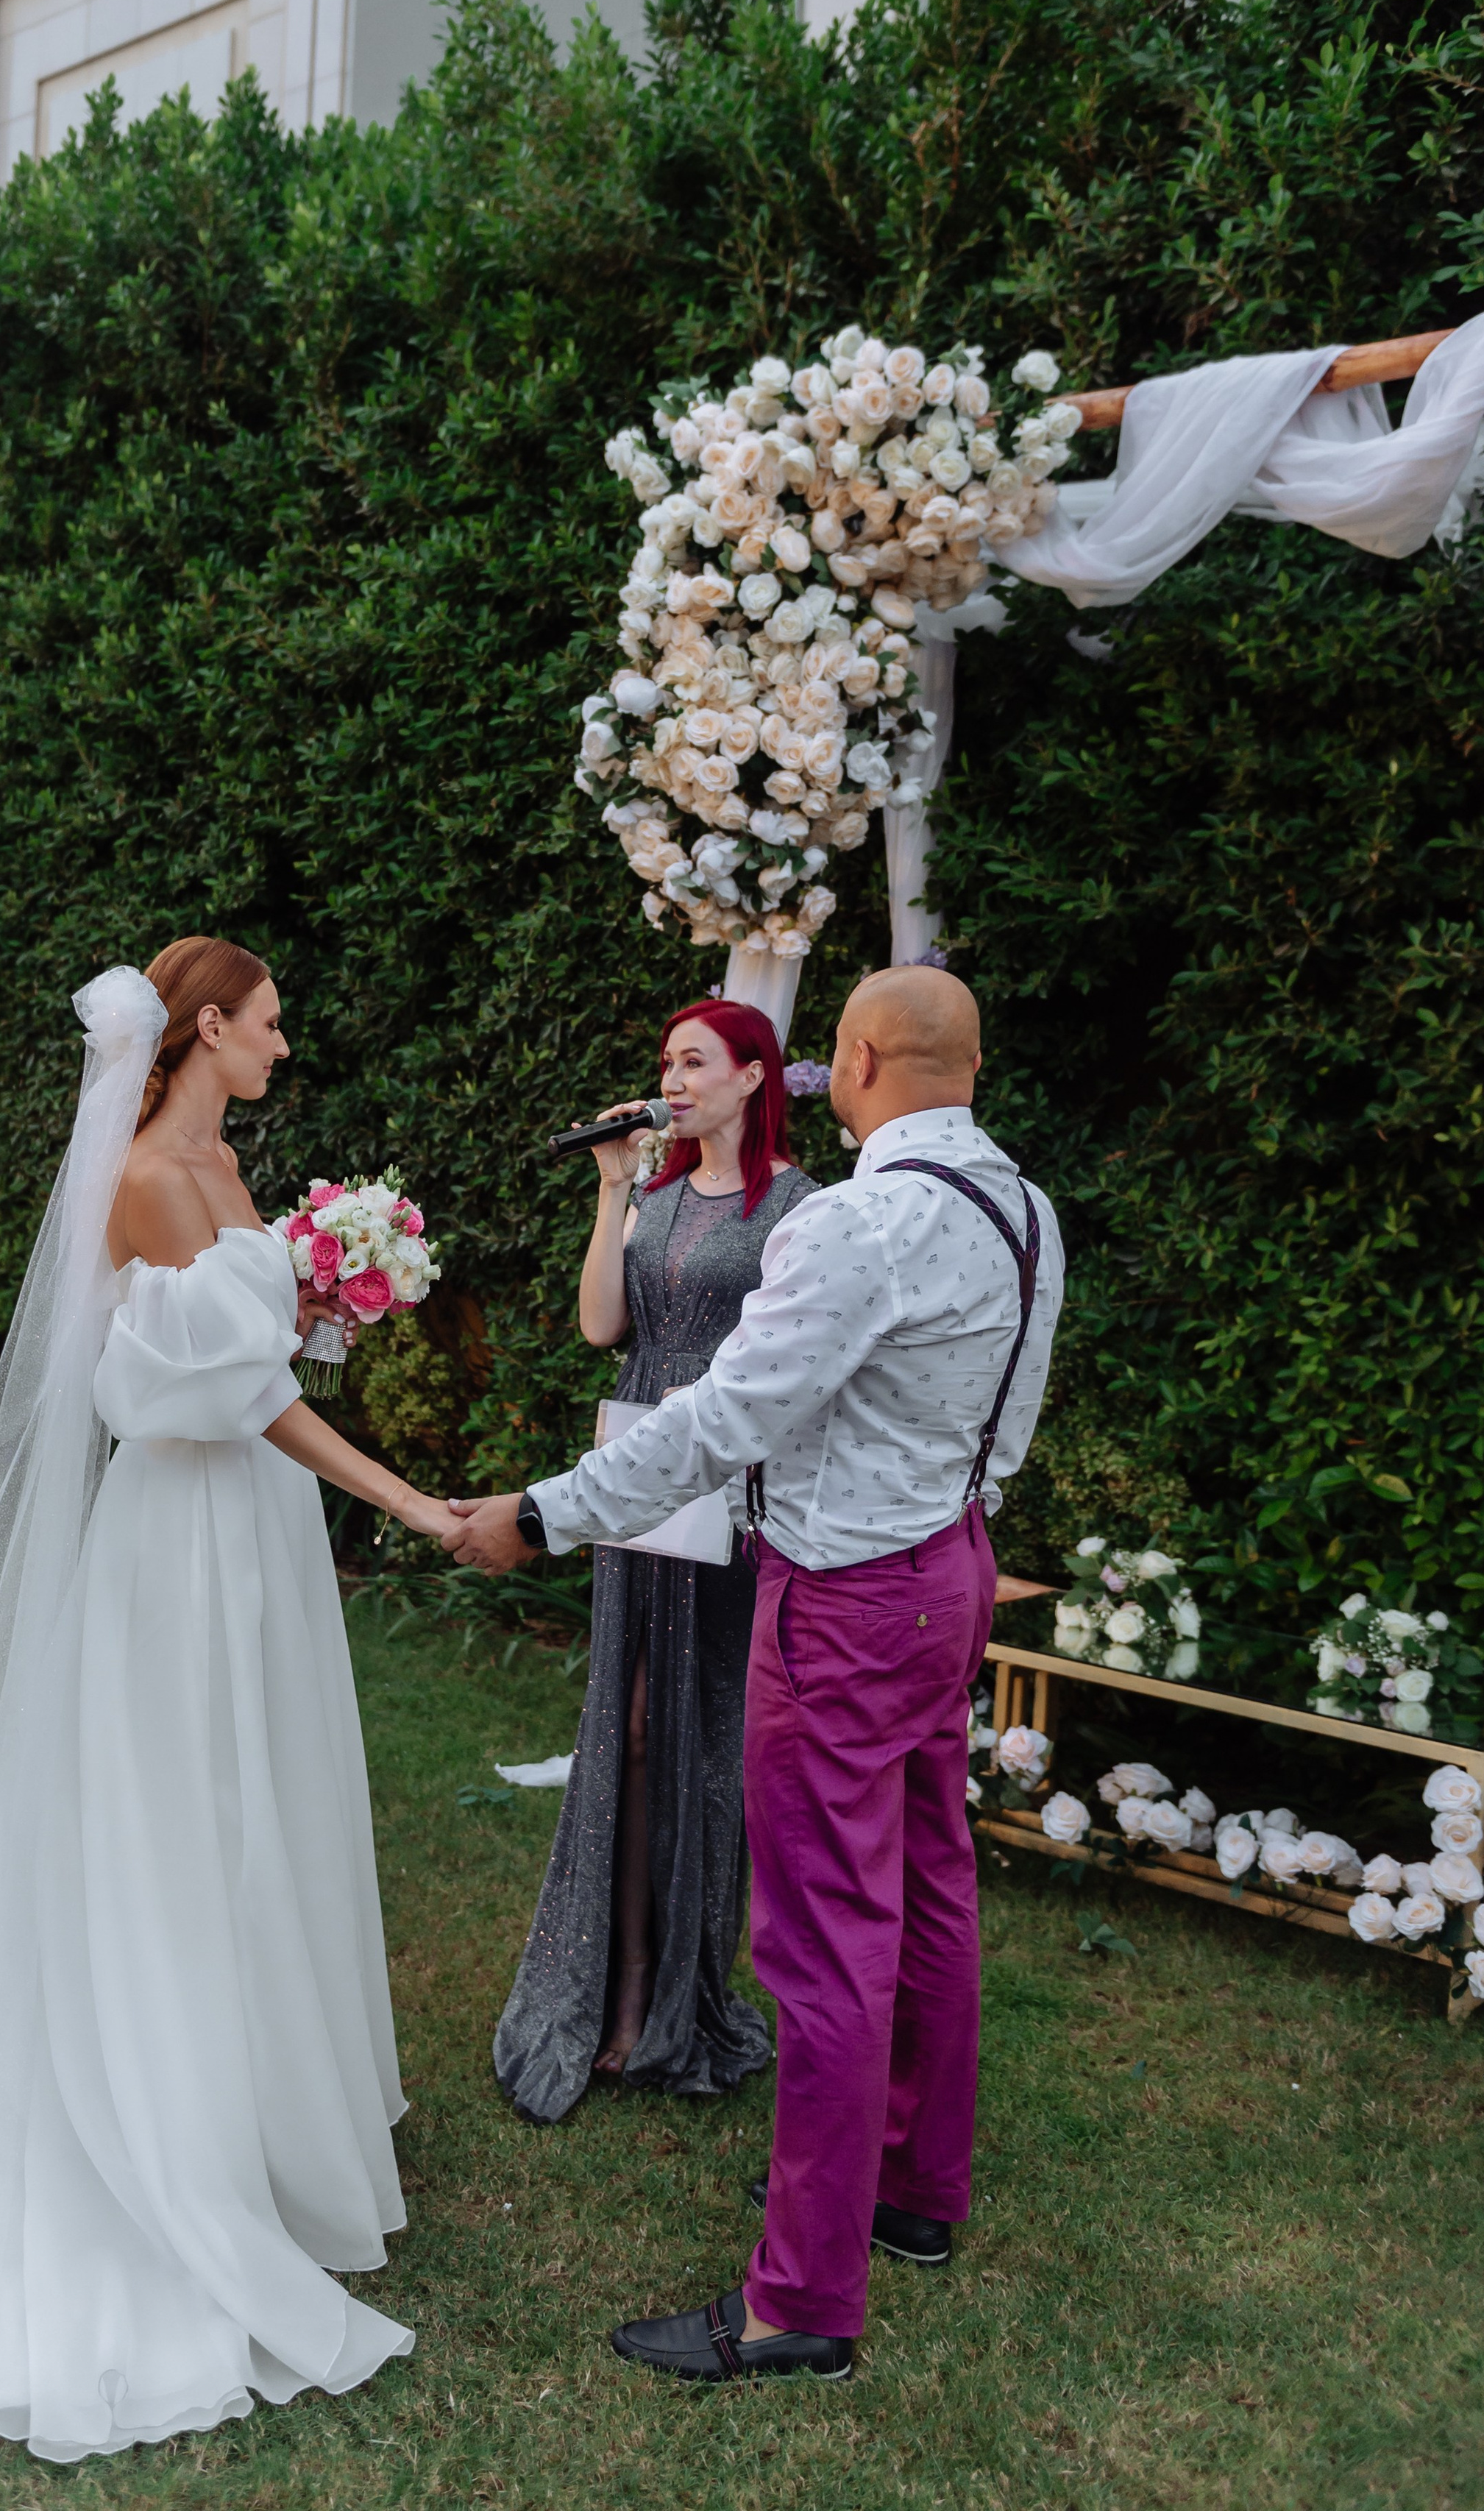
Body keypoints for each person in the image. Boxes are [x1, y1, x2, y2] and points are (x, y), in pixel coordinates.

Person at [0, 939, 452, 2462]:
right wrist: (419, 1506)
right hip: (183, 1543)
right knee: (185, 1831)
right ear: (205, 1030)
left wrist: (332, 1307)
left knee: (256, 1812)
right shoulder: (154, 1184)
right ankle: (169, 2135)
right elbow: (239, 1399)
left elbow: (250, 1351)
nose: (283, 1045)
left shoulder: (223, 1160)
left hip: (246, 1535)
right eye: (270, 1022)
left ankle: (252, 2114)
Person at [444, 965, 1063, 2383]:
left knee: (826, 1939)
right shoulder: (1027, 1214)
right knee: (932, 1883)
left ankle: (801, 2304)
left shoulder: (859, 1221)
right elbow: (1010, 1422)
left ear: (852, 1060)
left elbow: (723, 1416)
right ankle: (916, 2194)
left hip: (846, 1594)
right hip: (950, 1566)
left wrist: (544, 1513)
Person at [493, 1000, 816, 2122]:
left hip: (730, 1485)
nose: (671, 1080)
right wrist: (611, 1188)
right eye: (665, 1064)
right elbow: (600, 1328)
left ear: (749, 1077)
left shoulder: (798, 1207)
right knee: (625, 1724)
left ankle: (687, 1991)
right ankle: (620, 1988)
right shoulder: (661, 1196)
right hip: (639, 1458)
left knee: (706, 1726)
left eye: (693, 1062)